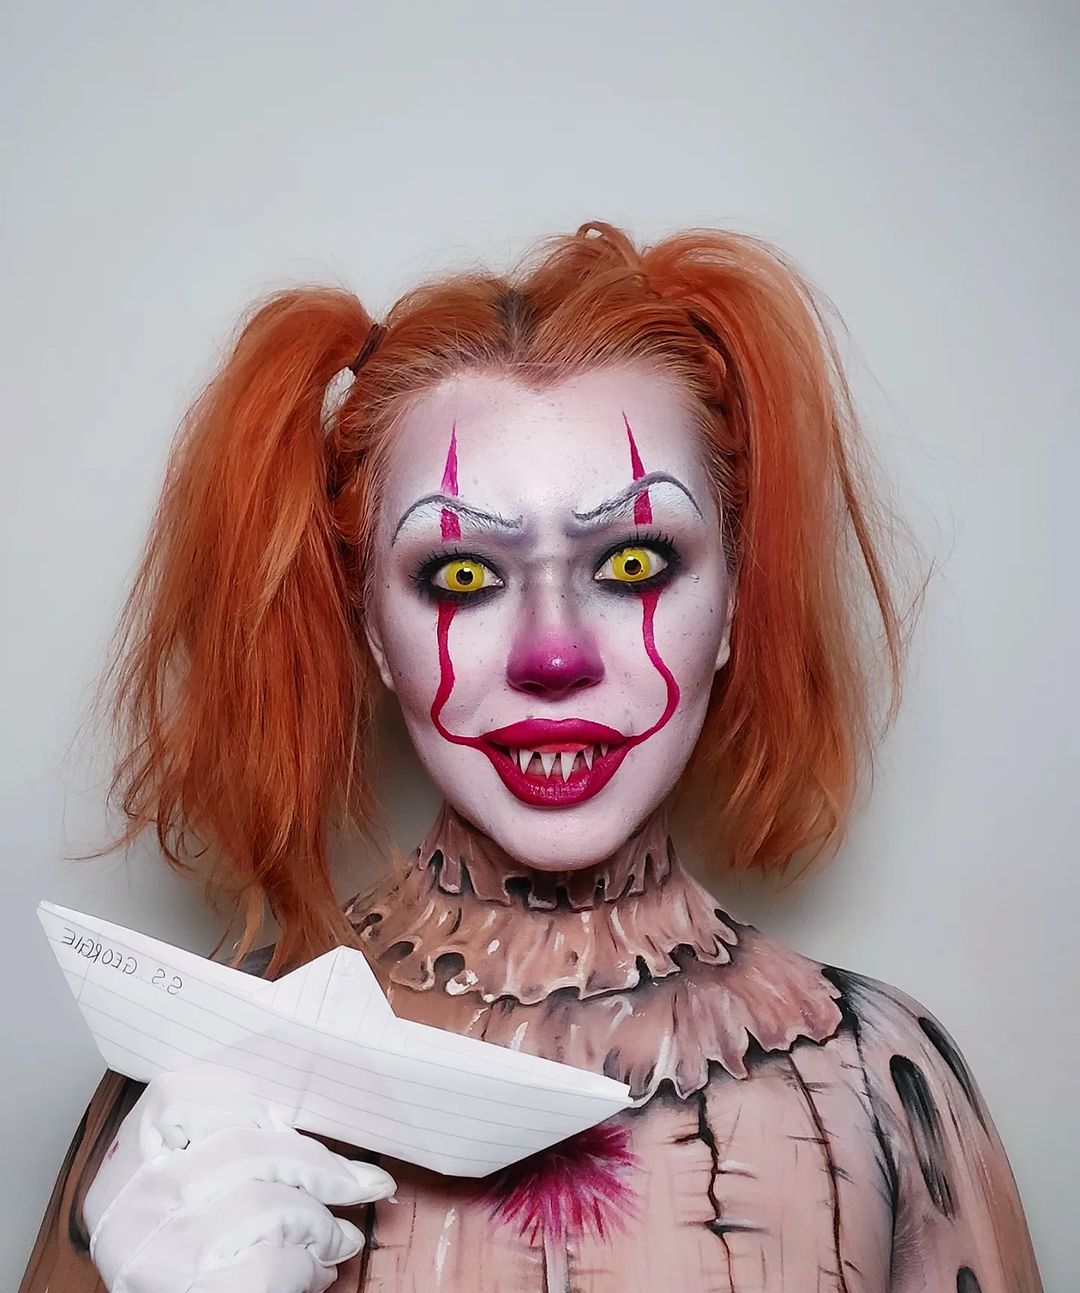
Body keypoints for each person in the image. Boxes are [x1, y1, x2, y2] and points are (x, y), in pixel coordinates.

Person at [19, 223, 1043, 1292]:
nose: (554, 654)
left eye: (634, 561)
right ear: (372, 626)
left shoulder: (883, 1084)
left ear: (736, 601)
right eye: (462, 575)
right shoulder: (199, 1076)